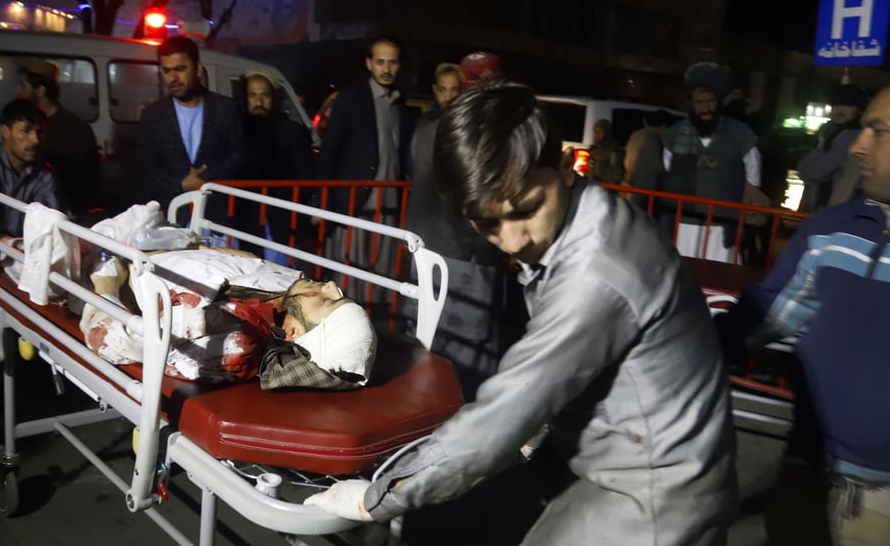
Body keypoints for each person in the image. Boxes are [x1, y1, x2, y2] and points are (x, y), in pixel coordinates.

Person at [305, 81, 738, 544]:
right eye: (488, 222)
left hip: (657, 490)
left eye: (527, 209)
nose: (512, 241)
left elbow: (506, 411)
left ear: (567, 168)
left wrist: (376, 498)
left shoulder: (596, 274)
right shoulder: (589, 217)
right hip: (627, 458)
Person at [715, 86, 890, 546]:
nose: (857, 147)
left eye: (878, 131)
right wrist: (680, 346)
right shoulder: (831, 229)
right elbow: (770, 314)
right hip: (806, 471)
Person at [81, 240, 377, 390]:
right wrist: (196, 245)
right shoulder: (290, 286)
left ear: (293, 333)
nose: (331, 286)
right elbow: (250, 261)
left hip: (111, 266)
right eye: (339, 293)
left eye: (330, 301)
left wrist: (107, 280)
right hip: (159, 244)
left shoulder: (231, 333)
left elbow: (103, 338)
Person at [402, 53, 522, 401]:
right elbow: (473, 196)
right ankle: (462, 413)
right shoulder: (479, 129)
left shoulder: (429, 125)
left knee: (425, 335)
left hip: (426, 246)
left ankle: (420, 407)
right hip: (467, 253)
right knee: (470, 350)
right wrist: (494, 247)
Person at [316, 35, 415, 303]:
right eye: (380, 62)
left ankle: (374, 317)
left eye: (392, 62)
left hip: (389, 204)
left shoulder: (400, 104)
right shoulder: (351, 99)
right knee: (348, 275)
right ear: (369, 63)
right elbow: (329, 151)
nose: (386, 69)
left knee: (380, 273)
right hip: (354, 202)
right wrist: (321, 203)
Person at [137, 35, 248, 231]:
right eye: (166, 71)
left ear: (198, 69)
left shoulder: (226, 108)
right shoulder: (153, 115)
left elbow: (238, 155)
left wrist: (203, 180)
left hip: (216, 217)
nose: (173, 78)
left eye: (180, 69)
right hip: (171, 218)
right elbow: (148, 167)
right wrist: (181, 185)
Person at [660, 61, 762, 262]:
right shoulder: (674, 136)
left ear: (719, 101)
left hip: (722, 225)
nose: (706, 108)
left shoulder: (740, 134)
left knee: (720, 273)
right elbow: (669, 169)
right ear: (691, 103)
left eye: (710, 101)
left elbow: (754, 177)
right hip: (684, 224)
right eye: (699, 102)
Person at [237, 70, 315, 264]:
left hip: (282, 221)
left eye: (264, 95)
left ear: (273, 98)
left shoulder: (293, 132)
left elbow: (306, 178)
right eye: (252, 95)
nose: (259, 101)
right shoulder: (236, 131)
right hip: (244, 220)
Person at [16, 59, 100, 222]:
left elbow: (86, 183)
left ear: (40, 90)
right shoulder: (22, 125)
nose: (18, 91)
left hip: (65, 215)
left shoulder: (75, 128)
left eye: (23, 86)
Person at [0, 98, 60, 237]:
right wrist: (0, 236)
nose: (35, 140)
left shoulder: (45, 175)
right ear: (5, 131)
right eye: (26, 131)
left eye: (39, 132)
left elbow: (52, 216)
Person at [797, 83, 868, 212]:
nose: (840, 109)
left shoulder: (853, 136)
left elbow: (815, 172)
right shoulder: (830, 131)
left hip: (838, 207)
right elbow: (804, 170)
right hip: (830, 205)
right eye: (836, 104)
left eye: (848, 105)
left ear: (858, 109)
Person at [622, 108, 669, 210]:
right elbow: (657, 167)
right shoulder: (653, 140)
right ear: (663, 125)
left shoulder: (636, 134)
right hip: (643, 188)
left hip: (628, 183)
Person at [585, 118, 624, 185]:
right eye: (595, 131)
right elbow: (589, 170)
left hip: (605, 187)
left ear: (606, 133)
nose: (596, 134)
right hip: (591, 186)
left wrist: (603, 182)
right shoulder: (593, 150)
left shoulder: (612, 151)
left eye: (600, 132)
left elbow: (617, 175)